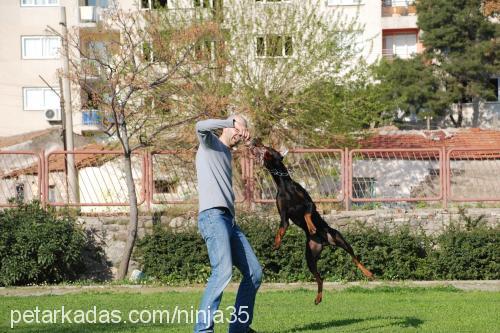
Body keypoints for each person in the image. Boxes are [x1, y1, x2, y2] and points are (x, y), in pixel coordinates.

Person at [194, 115, 262, 333]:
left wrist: (250, 140)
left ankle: (239, 329)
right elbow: (199, 126)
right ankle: (203, 330)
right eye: (238, 129)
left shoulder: (226, 154)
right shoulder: (210, 144)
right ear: (229, 126)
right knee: (222, 272)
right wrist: (232, 122)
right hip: (212, 217)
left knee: (254, 272)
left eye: (241, 131)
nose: (238, 134)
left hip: (229, 222)